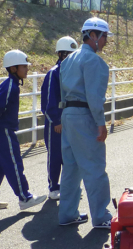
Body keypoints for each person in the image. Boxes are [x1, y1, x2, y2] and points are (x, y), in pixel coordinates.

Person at [58, 17, 113, 229]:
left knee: (71, 169)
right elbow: (94, 96)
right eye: (104, 36)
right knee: (94, 167)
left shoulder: (68, 60)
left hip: (68, 115)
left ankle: (67, 214)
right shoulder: (94, 62)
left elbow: (62, 92)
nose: (106, 40)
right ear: (93, 36)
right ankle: (101, 216)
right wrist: (101, 122)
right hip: (84, 116)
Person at [0, 50, 47, 211]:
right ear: (14, 68)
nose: (27, 69)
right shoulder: (10, 87)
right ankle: (25, 198)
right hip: (4, 132)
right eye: (24, 66)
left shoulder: (10, 85)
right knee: (14, 164)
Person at [40, 36, 78, 200]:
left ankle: (68, 185)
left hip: (70, 121)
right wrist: (55, 121)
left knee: (70, 155)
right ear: (61, 54)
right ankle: (53, 187)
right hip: (55, 123)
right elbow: (48, 101)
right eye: (68, 54)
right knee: (55, 155)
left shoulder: (73, 73)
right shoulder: (54, 73)